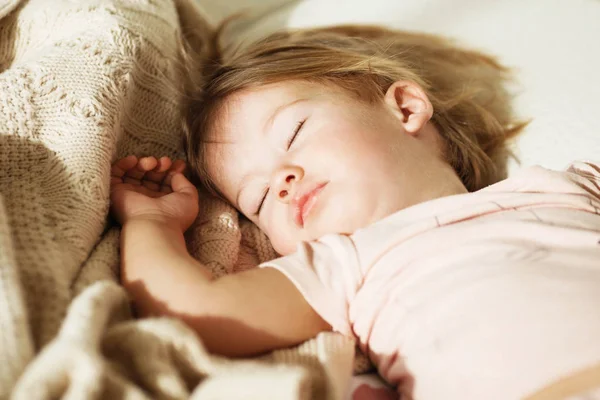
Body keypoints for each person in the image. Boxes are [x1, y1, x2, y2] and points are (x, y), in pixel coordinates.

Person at [109, 25, 600, 399]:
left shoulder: (562, 188)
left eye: (294, 133)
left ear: (405, 108)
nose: (281, 182)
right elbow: (196, 308)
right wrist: (153, 223)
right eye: (256, 200)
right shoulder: (344, 265)